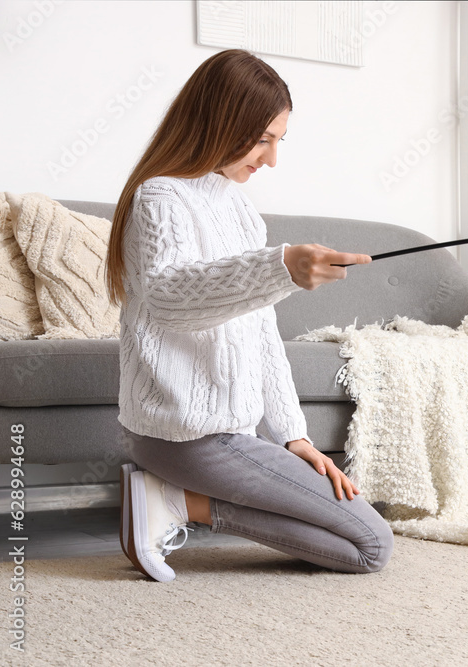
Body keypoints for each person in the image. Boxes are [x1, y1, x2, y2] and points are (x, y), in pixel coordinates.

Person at [105, 49, 393, 582]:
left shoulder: (239, 209)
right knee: (372, 546)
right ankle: (178, 500)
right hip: (183, 436)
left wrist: (293, 437)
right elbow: (169, 299)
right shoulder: (160, 197)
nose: (272, 158)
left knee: (362, 548)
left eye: (279, 139)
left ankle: (177, 499)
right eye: (263, 138)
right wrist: (279, 267)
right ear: (220, 122)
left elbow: (262, 336)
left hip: (230, 437)